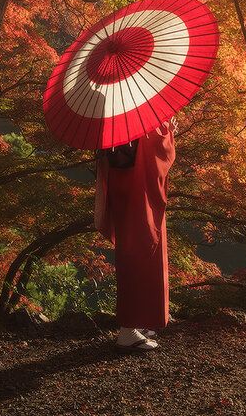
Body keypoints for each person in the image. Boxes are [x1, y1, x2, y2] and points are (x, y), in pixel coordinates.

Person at [94, 117, 177, 351]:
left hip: (122, 187)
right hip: (138, 193)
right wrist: (167, 130)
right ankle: (128, 329)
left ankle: (139, 321)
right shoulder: (137, 115)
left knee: (133, 253)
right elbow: (159, 154)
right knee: (141, 252)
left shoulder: (110, 112)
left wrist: (162, 129)